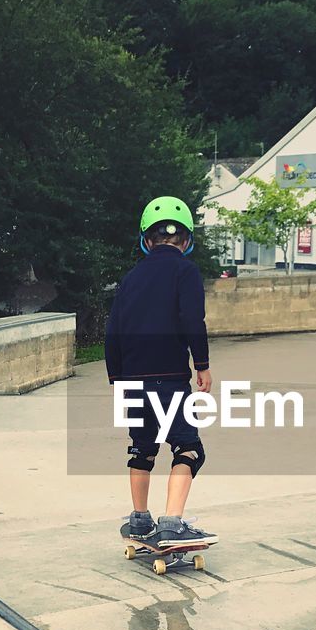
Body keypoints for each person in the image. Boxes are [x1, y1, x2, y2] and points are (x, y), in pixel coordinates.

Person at [105, 196, 217, 549]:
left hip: (131, 379)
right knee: (188, 448)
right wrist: (202, 365)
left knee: (142, 448)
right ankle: (171, 523)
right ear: (185, 240)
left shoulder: (131, 277)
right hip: (169, 378)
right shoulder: (186, 271)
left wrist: (118, 381)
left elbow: (113, 331)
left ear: (146, 239)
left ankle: (139, 520)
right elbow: (191, 321)